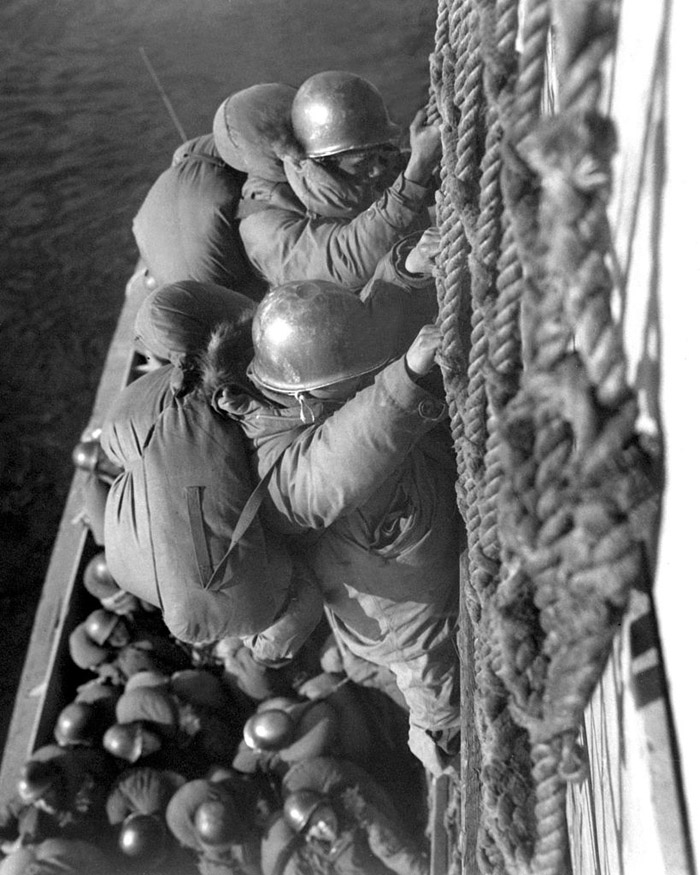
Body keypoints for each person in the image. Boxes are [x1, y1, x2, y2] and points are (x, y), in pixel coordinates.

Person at [207, 248, 461, 776]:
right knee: (432, 692)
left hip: (399, 556)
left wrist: (404, 272)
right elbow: (341, 456)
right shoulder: (280, 473)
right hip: (394, 619)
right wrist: (404, 376)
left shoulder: (304, 387)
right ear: (306, 398)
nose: (367, 379)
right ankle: (432, 740)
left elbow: (355, 332)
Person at [216, 71, 440, 290]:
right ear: (312, 161)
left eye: (377, 152)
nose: (376, 170)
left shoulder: (338, 165)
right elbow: (347, 259)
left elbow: (394, 174)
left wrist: (434, 151)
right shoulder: (264, 229)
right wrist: (417, 170)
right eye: (363, 162)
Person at [165, 774, 271, 875]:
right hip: (181, 812)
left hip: (205, 790)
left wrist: (261, 805)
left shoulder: (227, 793)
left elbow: (251, 792)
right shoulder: (183, 830)